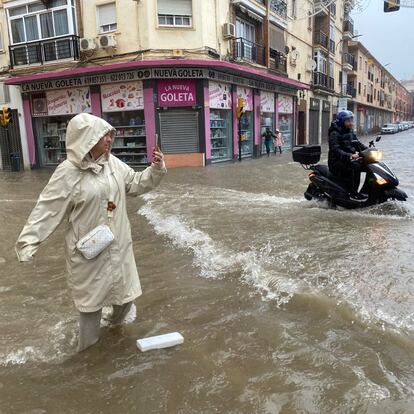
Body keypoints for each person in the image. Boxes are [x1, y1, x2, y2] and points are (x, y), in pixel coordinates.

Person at [15, 113, 167, 352]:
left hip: (118, 245)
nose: (109, 139)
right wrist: (28, 243)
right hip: (88, 252)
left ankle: (112, 332)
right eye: (103, 135)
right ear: (87, 138)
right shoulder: (68, 172)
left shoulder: (113, 164)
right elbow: (47, 209)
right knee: (90, 307)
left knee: (125, 298)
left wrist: (156, 169)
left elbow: (136, 183)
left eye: (109, 134)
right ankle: (86, 354)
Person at [328, 110, 368, 200]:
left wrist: (369, 150)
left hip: (347, 160)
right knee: (356, 166)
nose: (351, 123)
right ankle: (353, 193)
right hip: (336, 162)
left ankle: (369, 190)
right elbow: (335, 149)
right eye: (348, 121)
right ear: (342, 121)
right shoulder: (334, 133)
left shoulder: (350, 131)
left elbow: (358, 143)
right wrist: (350, 155)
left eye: (351, 120)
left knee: (367, 165)